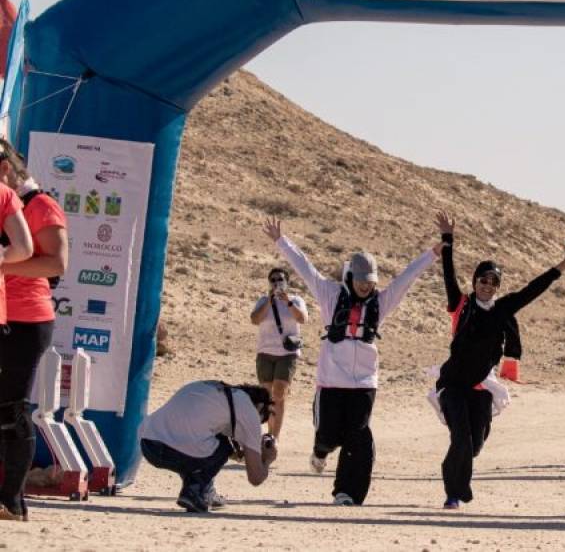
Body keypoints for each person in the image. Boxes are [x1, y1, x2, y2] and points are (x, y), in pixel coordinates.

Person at [264, 216, 443, 506]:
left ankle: (347, 492)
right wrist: (281, 241)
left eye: (370, 282)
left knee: (358, 437)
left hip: (364, 383)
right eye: (360, 280)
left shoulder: (381, 303)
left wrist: (433, 254)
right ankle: (320, 451)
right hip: (331, 381)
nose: (365, 286)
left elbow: (407, 278)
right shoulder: (329, 294)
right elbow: (305, 268)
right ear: (350, 277)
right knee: (327, 434)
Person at [433, 210, 565, 509]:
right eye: (482, 280)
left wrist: (563, 264)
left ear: (497, 286)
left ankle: (457, 478)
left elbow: (534, 289)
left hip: (482, 387)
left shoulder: (503, 309)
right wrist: (448, 238)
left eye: (492, 281)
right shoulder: (460, 304)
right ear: (474, 282)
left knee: (474, 445)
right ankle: (454, 493)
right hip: (453, 383)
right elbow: (448, 271)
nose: (486, 285)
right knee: (460, 438)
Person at [138, 380, 276, 513]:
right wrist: (268, 459)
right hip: (173, 450)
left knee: (202, 445)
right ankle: (194, 489)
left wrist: (245, 451)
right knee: (224, 446)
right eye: (261, 420)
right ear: (259, 407)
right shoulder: (249, 410)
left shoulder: (219, 392)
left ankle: (205, 491)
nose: (256, 425)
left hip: (148, 445)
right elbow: (256, 478)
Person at [0, 140, 39, 522]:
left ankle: (12, 498)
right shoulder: (8, 198)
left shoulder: (33, 203)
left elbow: (46, 258)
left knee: (12, 409)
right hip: (10, 314)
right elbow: (23, 249)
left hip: (26, 319)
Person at [250, 266, 308, 440]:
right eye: (273, 280)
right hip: (265, 353)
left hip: (287, 354)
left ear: (287, 282)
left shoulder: (296, 300)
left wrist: (287, 302)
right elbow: (254, 319)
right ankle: (268, 434)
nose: (276, 283)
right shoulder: (263, 301)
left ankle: (273, 438)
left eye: (280, 279)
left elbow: (303, 319)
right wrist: (269, 301)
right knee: (267, 396)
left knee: (279, 394)